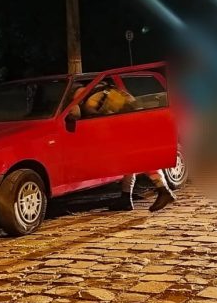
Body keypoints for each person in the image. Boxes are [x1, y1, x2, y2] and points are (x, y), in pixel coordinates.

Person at [73, 80, 176, 213]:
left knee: (141, 160)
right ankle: (126, 197)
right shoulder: (104, 89)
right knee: (131, 162)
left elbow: (91, 120)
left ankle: (163, 190)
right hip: (137, 119)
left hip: (128, 126)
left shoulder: (89, 103)